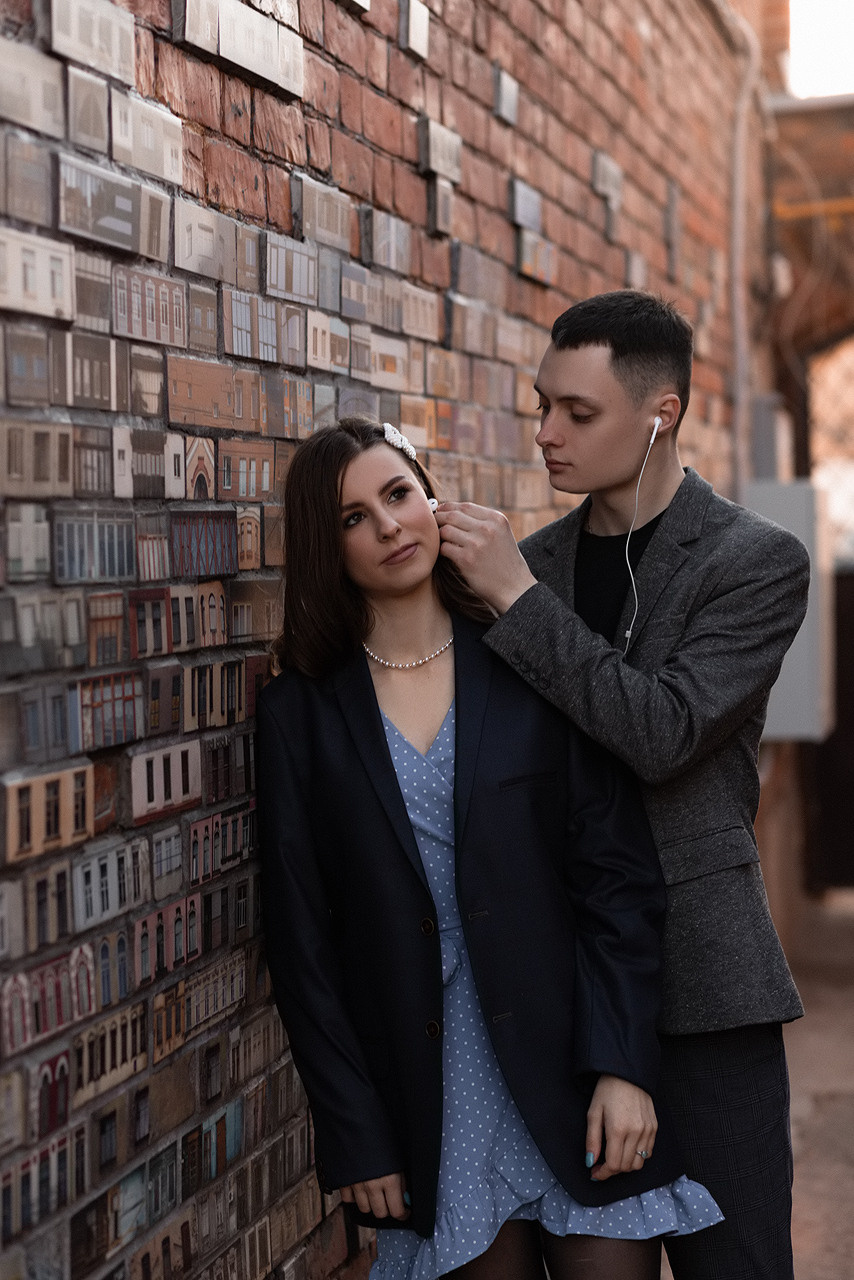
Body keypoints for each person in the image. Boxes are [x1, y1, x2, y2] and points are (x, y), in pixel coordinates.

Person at [256, 417, 722, 1280]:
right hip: (428, 1099)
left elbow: (618, 881)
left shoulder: (529, 660)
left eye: (397, 494)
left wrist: (624, 1067)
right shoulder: (300, 716)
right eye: (354, 517)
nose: (389, 525)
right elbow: (301, 947)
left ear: (430, 497)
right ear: (329, 546)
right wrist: (356, 1132)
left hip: (573, 1069)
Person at [435, 290, 810, 1280]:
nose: (547, 434)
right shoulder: (532, 565)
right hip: (558, 988)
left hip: (702, 986)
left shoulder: (755, 561)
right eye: (540, 405)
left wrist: (512, 598)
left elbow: (662, 730)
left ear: (661, 412)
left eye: (577, 412)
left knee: (739, 1265)